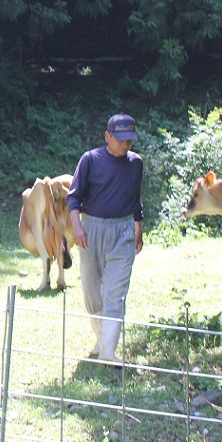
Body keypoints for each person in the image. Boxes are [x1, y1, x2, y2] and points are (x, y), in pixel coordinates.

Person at [67, 113, 144, 365]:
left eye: (129, 140)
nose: (125, 145)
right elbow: (74, 197)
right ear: (107, 136)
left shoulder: (136, 163)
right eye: (120, 139)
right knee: (92, 292)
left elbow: (136, 200)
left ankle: (109, 353)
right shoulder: (91, 159)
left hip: (123, 231)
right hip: (92, 229)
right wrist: (77, 227)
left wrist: (138, 229)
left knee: (116, 292)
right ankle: (101, 340)